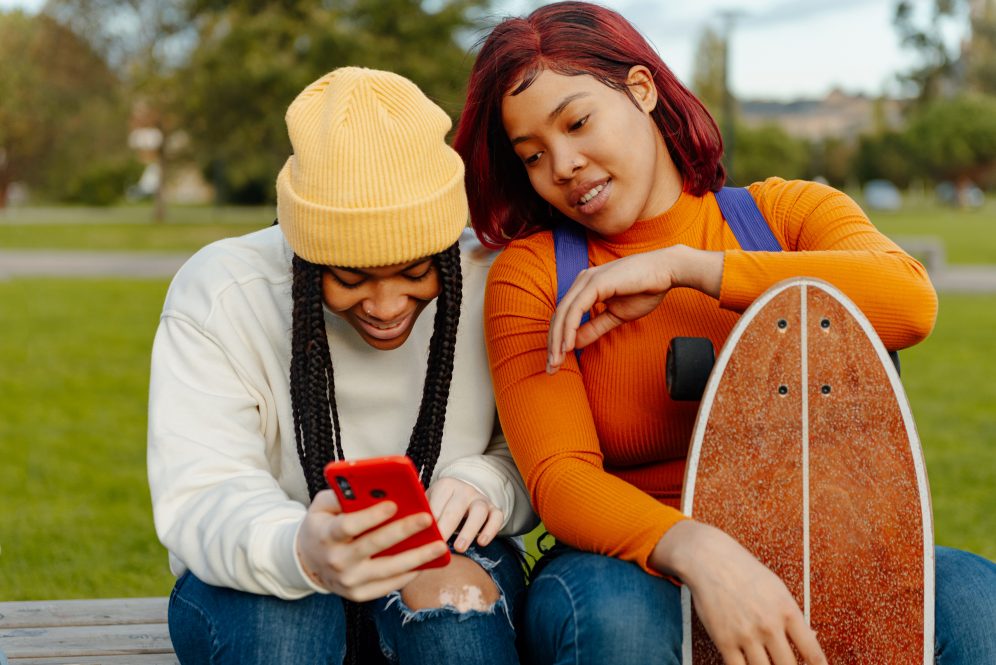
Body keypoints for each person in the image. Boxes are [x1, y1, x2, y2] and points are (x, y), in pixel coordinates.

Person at [452, 3, 996, 664]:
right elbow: (561, 478)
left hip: (820, 534)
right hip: (635, 559)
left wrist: (693, 270)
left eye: (577, 121)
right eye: (532, 154)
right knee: (618, 624)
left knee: (974, 600)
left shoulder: (788, 214)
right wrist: (703, 551)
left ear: (642, 90)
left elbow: (909, 301)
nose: (562, 164)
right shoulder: (535, 275)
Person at [148, 67, 536, 665]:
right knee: (284, 629)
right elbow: (203, 491)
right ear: (304, 255)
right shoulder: (222, 291)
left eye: (415, 273)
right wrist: (299, 549)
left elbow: (537, 451)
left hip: (449, 550)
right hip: (264, 561)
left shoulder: (494, 277)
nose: (385, 308)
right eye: (350, 278)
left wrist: (486, 483)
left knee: (452, 612)